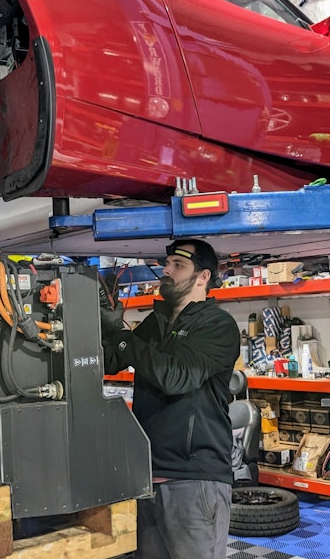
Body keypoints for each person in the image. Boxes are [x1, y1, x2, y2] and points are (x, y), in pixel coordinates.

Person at [102, 239, 240, 559]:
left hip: (194, 480)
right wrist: (101, 322)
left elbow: (175, 377)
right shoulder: (157, 323)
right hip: (148, 476)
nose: (167, 270)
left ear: (203, 277)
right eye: (167, 263)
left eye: (178, 266)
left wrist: (122, 337)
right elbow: (112, 361)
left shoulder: (217, 325)